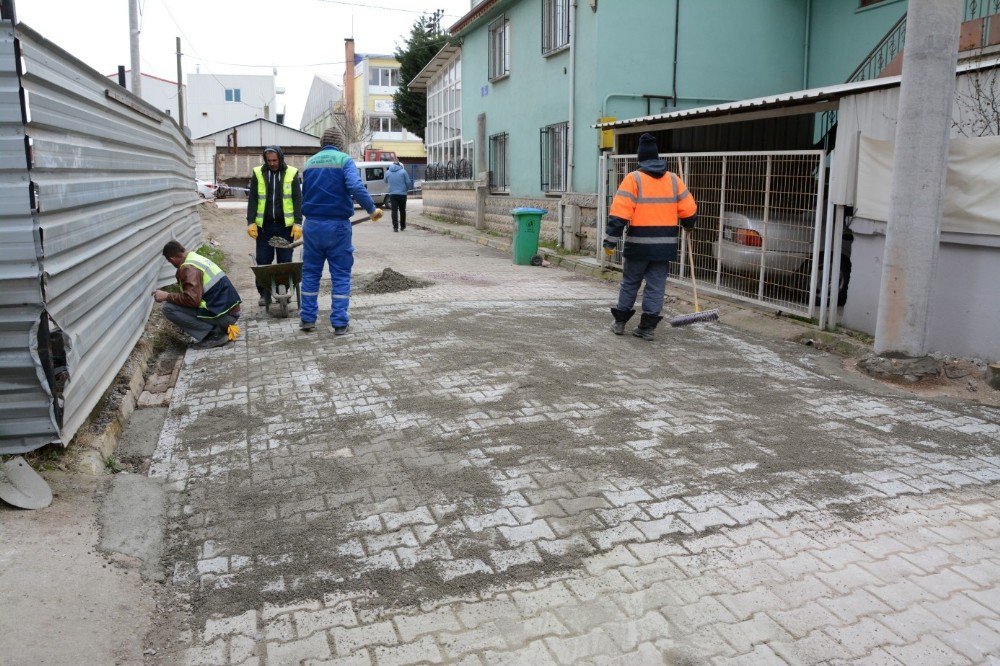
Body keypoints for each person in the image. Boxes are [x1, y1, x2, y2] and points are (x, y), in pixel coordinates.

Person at [604, 133, 697, 340]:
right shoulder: (674, 180)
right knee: (656, 286)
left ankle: (619, 323)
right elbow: (689, 211)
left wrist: (610, 240)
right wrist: (689, 225)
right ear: (657, 157)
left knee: (630, 283)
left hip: (638, 245)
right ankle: (647, 328)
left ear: (640, 158)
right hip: (664, 246)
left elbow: (620, 213)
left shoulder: (633, 179)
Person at [299, 128, 383, 335]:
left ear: (322, 143)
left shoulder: (309, 163)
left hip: (311, 226)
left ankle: (308, 319)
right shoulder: (344, 160)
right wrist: (372, 209)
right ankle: (339, 323)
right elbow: (356, 186)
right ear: (340, 143)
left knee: (310, 273)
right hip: (337, 227)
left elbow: (305, 192)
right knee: (340, 274)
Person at [153, 241, 242, 349]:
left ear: (172, 259)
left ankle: (214, 335)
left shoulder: (188, 268)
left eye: (170, 262)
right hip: (230, 312)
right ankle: (216, 329)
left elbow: (192, 300)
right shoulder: (195, 258)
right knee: (178, 304)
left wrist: (166, 296)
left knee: (169, 308)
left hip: (225, 316)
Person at [246, 146, 302, 306]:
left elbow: (298, 199)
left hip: (285, 227)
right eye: (269, 160)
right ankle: (265, 294)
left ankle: (284, 289)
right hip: (264, 227)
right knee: (263, 261)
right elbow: (253, 199)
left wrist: (298, 223)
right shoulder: (258, 173)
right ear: (265, 160)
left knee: (285, 261)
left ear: (281, 158)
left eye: (275, 160)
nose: (272, 163)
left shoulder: (291, 173)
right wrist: (251, 222)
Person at [383, 160, 413, 232]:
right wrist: (406, 189)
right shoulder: (403, 171)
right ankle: (402, 226)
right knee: (402, 210)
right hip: (402, 194)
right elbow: (408, 182)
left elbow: (385, 181)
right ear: (399, 165)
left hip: (392, 194)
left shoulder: (387, 172)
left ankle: (395, 227)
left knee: (394, 211)